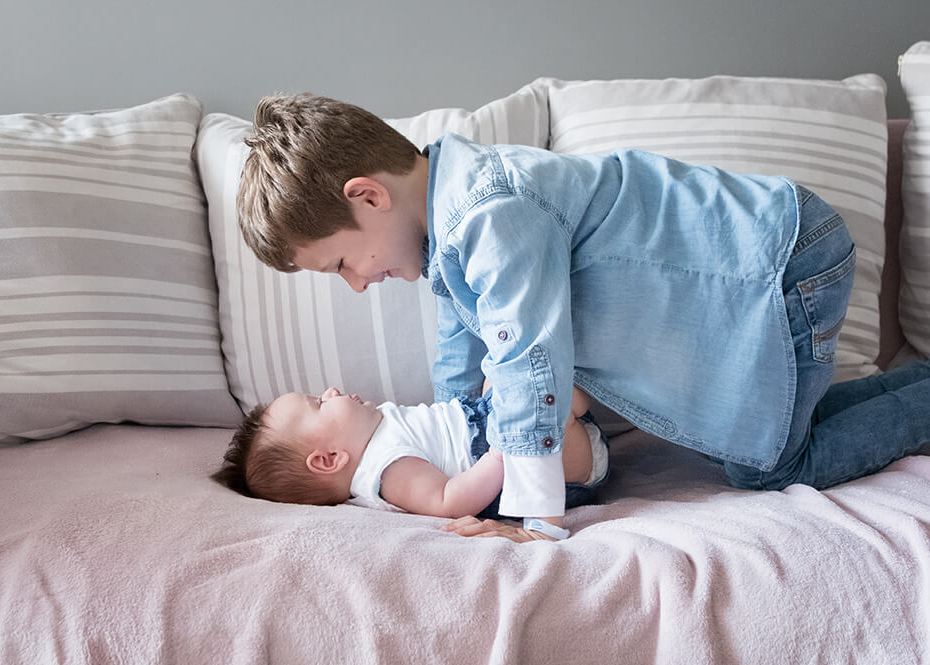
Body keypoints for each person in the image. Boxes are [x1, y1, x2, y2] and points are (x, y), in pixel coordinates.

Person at [235, 93, 930, 543]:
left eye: (341, 264)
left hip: (776, 262)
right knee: (770, 436)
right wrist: (465, 449)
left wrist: (538, 518)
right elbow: (462, 351)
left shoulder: (488, 212)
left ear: (368, 198)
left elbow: (527, 355)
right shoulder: (450, 229)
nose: (357, 285)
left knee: (773, 465)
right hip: (774, 252)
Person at [212, 386, 609, 529]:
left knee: (514, 375)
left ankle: (563, 399)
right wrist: (501, 453)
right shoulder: (386, 470)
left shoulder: (377, 429)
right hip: (545, 467)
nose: (331, 390)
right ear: (329, 459)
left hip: (504, 426)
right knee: (545, 387)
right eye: (319, 403)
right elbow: (448, 500)